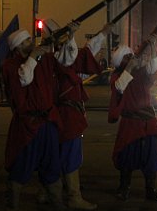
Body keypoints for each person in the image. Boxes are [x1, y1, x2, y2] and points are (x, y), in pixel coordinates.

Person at [2, 26, 78, 210]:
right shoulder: (11, 65)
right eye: (26, 41)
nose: (31, 42)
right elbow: (24, 78)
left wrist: (70, 37)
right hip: (27, 126)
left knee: (53, 172)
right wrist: (35, 55)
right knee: (19, 173)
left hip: (47, 124)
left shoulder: (42, 58)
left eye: (30, 39)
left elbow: (66, 60)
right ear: (17, 47)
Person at [42, 21, 111, 210]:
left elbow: (85, 51)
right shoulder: (59, 59)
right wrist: (71, 36)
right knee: (69, 155)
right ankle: (73, 197)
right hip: (66, 115)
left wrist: (102, 34)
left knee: (56, 154)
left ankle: (50, 193)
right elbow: (72, 55)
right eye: (63, 38)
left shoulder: (59, 57)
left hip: (63, 114)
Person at [108, 35, 157, 202]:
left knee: (150, 158)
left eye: (130, 56)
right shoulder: (117, 75)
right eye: (127, 57)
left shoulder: (142, 71)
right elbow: (119, 87)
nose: (130, 59)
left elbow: (153, 68)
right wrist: (129, 69)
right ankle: (124, 188)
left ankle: (150, 189)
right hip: (130, 123)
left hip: (147, 123)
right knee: (127, 157)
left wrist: (153, 48)